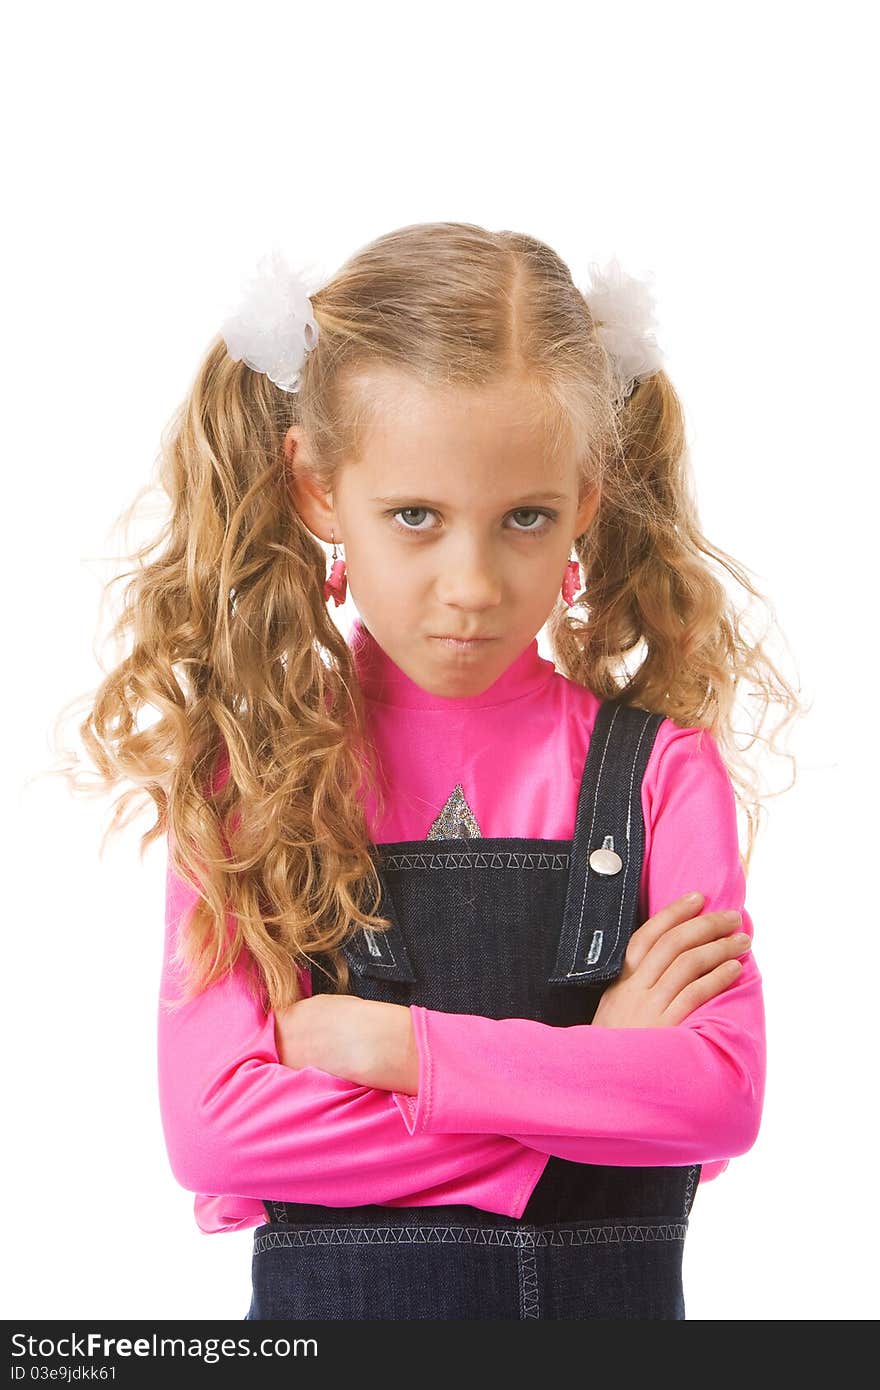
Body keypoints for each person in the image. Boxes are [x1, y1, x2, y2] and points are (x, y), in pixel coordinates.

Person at [61, 222, 802, 1320]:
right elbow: (214, 1129)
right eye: (415, 516)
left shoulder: (662, 772)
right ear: (317, 492)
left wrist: (396, 1048)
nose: (470, 583)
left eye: (524, 519)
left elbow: (721, 1101)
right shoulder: (249, 781)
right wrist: (588, 1096)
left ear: (586, 499)